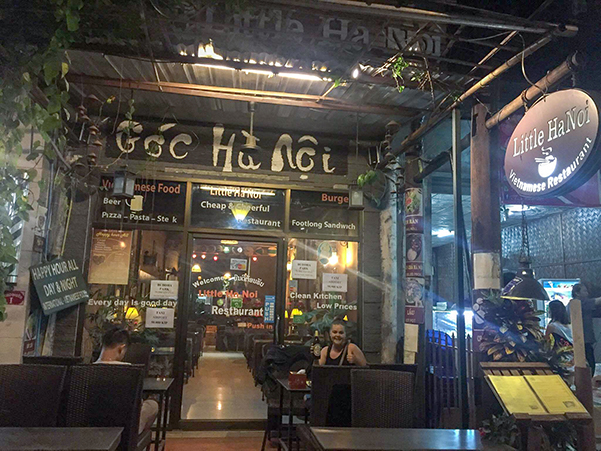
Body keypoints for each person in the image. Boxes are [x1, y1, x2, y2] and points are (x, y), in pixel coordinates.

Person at [95, 327, 159, 434]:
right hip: (125, 427)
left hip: (94, 425)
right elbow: (137, 403)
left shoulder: (86, 370)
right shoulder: (129, 370)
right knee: (152, 405)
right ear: (121, 348)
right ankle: (136, 438)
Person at [569, 284, 601, 376]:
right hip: (583, 339)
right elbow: (597, 301)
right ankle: (588, 381)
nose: (587, 293)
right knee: (589, 363)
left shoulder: (571, 304)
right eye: (584, 291)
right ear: (577, 293)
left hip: (579, 339)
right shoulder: (580, 303)